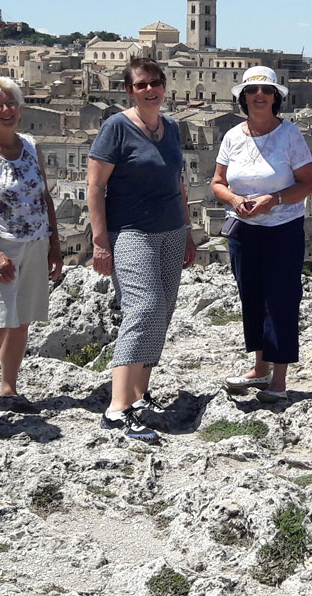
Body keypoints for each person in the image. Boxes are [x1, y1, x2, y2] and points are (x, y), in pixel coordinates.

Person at [87, 58, 196, 442]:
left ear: (164, 86)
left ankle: (139, 394)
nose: (150, 90)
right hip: (130, 231)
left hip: (170, 229)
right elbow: (95, 187)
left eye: (156, 83)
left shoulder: (172, 128)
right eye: (141, 85)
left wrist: (187, 230)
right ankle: (117, 408)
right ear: (130, 91)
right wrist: (100, 241)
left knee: (162, 311)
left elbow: (178, 183)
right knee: (143, 306)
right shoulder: (116, 127)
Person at [211, 67, 312, 402]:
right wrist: (235, 200)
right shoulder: (232, 137)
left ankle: (279, 380)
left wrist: (275, 199)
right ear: (243, 97)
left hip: (283, 229)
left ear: (276, 98)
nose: (259, 96)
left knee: (281, 299)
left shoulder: (290, 135)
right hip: (244, 230)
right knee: (251, 297)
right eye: (253, 90)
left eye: (266, 91)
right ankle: (259, 368)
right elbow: (217, 183)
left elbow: (308, 184)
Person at [0, 77, 62, 415]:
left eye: (11, 103)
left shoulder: (31, 146)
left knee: (22, 321)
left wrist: (54, 246)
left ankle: (9, 390)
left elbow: (44, 196)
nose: (6, 110)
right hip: (0, 247)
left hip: (34, 242)